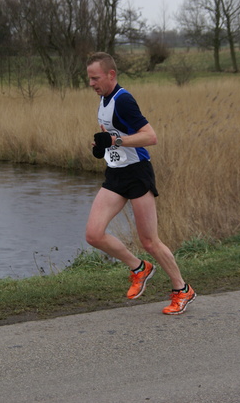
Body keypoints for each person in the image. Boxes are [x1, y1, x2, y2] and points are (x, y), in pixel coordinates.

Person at [85, 52, 196, 315]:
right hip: (116, 174)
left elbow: (150, 136)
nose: (91, 83)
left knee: (149, 240)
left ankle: (182, 290)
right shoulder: (104, 99)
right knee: (93, 234)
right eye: (89, 78)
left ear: (111, 75)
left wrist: (116, 142)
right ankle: (139, 268)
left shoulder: (124, 100)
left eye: (95, 78)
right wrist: (103, 146)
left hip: (137, 174)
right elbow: (114, 135)